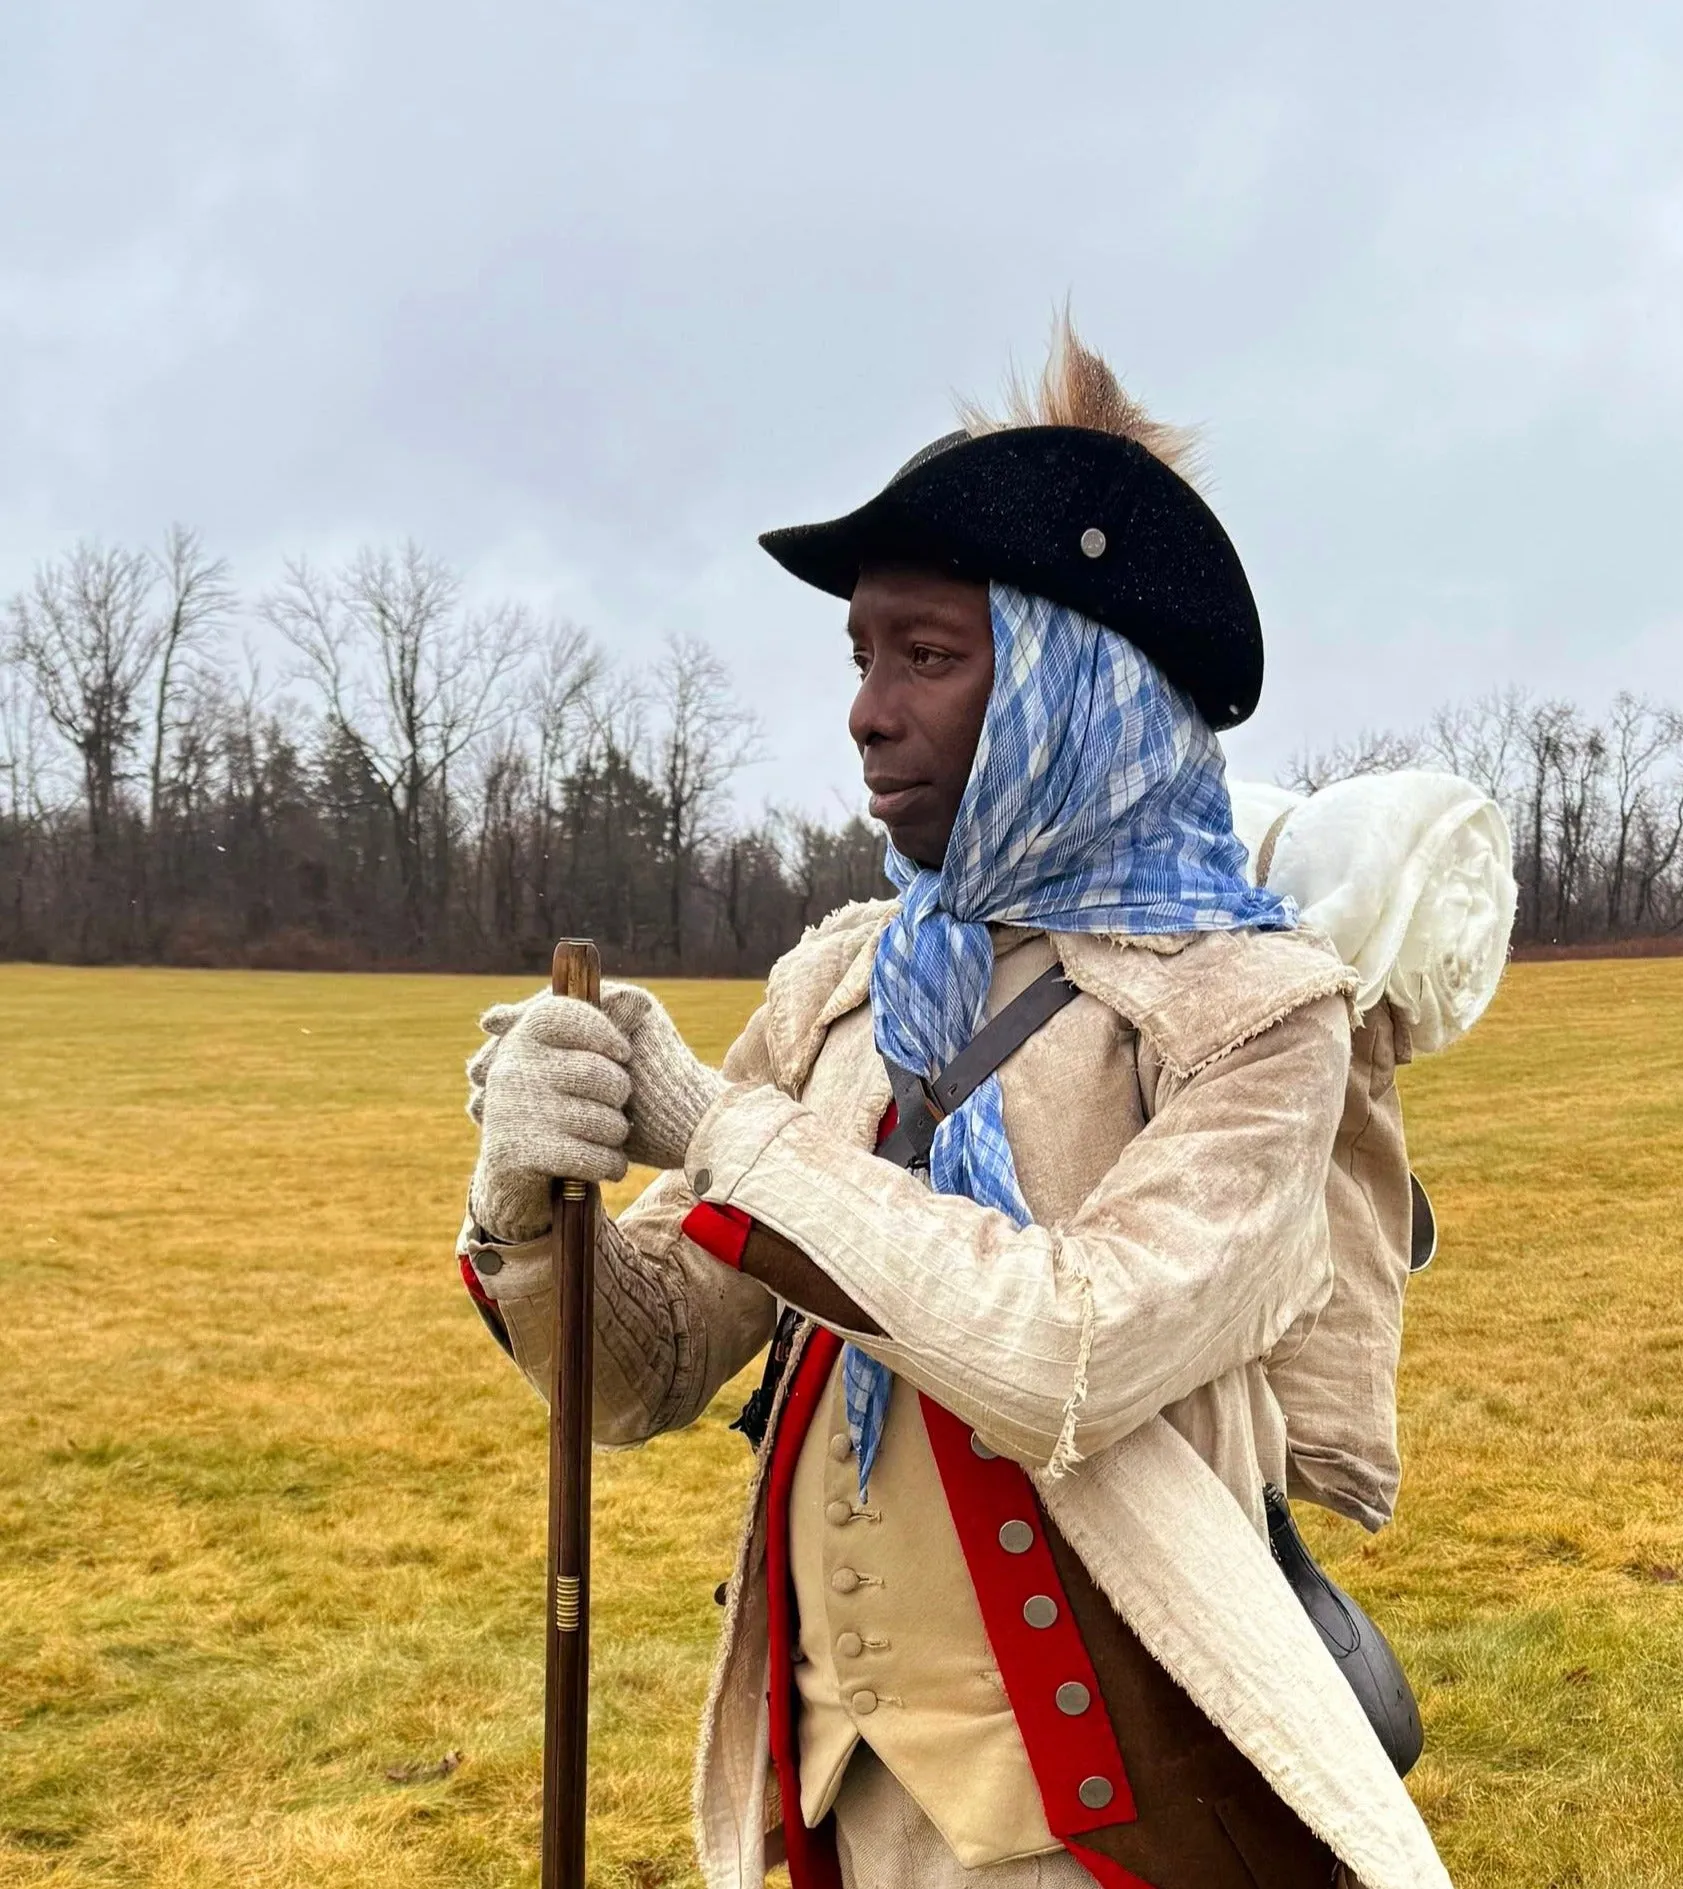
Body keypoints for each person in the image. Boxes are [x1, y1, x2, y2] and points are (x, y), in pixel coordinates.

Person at [458, 320, 1452, 1889]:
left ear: (1076, 690)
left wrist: (720, 1130)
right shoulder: (848, 984)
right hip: (833, 1804)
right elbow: (642, 1367)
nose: (866, 709)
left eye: (927, 656)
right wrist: (527, 1196)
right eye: (860, 656)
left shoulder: (1255, 1014)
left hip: (1114, 1811)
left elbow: (1073, 1350)